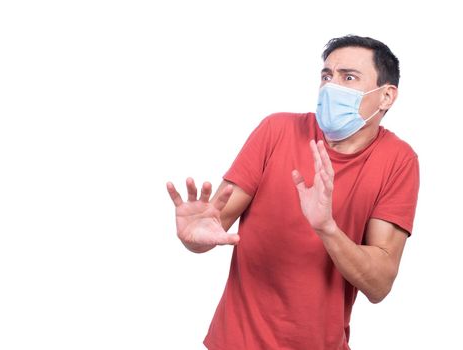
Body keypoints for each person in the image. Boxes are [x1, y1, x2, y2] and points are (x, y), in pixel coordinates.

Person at [166, 35, 420, 350]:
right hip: (237, 342)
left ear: (386, 96)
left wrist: (327, 228)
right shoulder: (276, 131)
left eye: (348, 77)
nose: (330, 87)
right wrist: (192, 239)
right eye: (326, 76)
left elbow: (379, 284)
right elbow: (214, 228)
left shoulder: (398, 160)